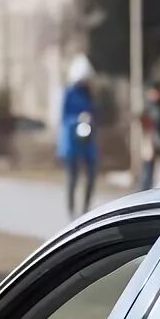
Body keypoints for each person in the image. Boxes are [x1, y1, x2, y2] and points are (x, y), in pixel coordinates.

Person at [57, 54, 98, 218]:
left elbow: (96, 113)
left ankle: (85, 210)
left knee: (91, 175)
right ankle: (71, 212)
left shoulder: (89, 94)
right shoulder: (69, 93)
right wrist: (77, 120)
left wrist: (90, 119)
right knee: (72, 177)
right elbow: (64, 116)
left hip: (88, 141)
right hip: (72, 141)